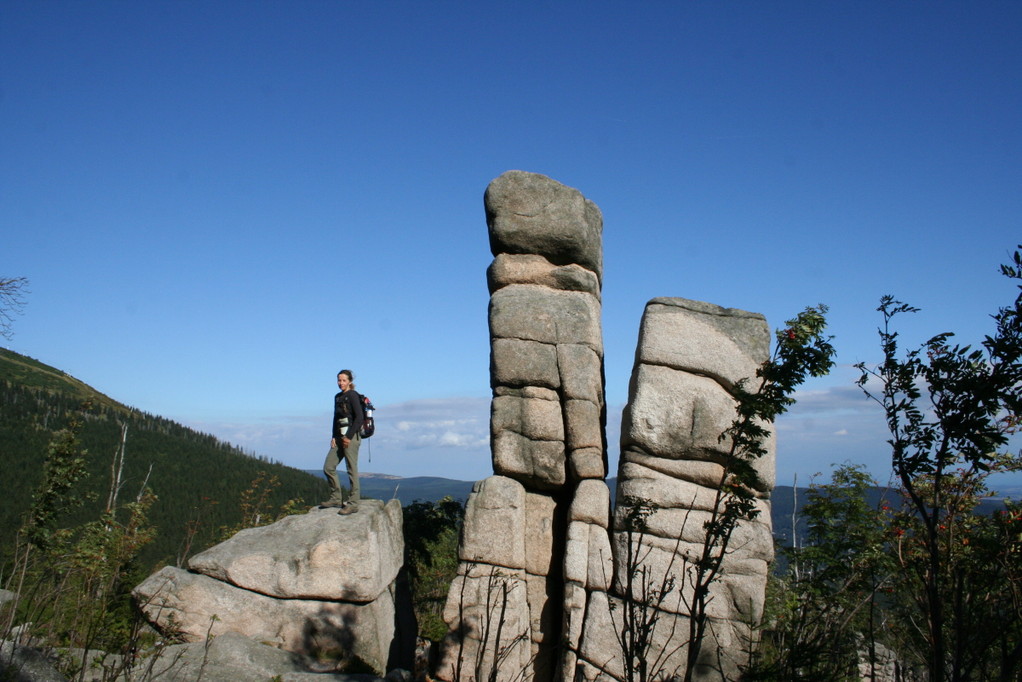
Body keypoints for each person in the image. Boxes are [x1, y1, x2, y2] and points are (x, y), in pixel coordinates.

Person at [322, 369, 364, 514]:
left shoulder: (353, 395)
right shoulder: (338, 397)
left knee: (351, 469)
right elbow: (336, 418)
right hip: (339, 437)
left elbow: (359, 418)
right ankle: (335, 498)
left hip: (351, 437)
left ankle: (353, 503)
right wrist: (334, 436)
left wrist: (348, 437)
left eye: (344, 380)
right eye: (339, 380)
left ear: (350, 381)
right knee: (328, 467)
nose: (341, 383)